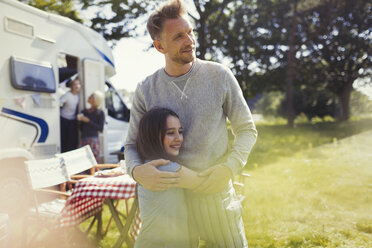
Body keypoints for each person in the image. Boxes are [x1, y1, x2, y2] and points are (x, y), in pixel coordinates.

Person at [124, 0, 258, 247]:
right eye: (178, 37)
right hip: (169, 199)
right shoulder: (145, 89)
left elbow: (247, 129)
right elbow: (131, 144)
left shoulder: (220, 75)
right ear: (159, 46)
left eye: (190, 32)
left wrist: (229, 168)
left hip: (214, 192)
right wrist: (136, 171)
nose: (189, 40)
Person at [135, 107, 203, 248]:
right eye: (170, 133)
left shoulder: (148, 166)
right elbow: (204, 182)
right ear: (152, 136)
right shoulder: (164, 168)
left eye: (180, 131)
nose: (179, 138)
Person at [77, 91, 105, 163]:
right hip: (83, 139)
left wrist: (88, 121)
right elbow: (80, 128)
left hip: (93, 140)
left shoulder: (100, 112)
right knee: (83, 161)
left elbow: (100, 128)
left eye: (91, 96)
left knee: (94, 162)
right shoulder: (84, 111)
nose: (89, 97)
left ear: (96, 100)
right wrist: (79, 120)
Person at [60, 79, 80, 153]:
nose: (76, 86)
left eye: (78, 84)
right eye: (74, 84)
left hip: (72, 120)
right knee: (63, 139)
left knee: (71, 140)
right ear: (71, 86)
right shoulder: (67, 95)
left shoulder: (78, 96)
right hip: (64, 119)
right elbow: (58, 102)